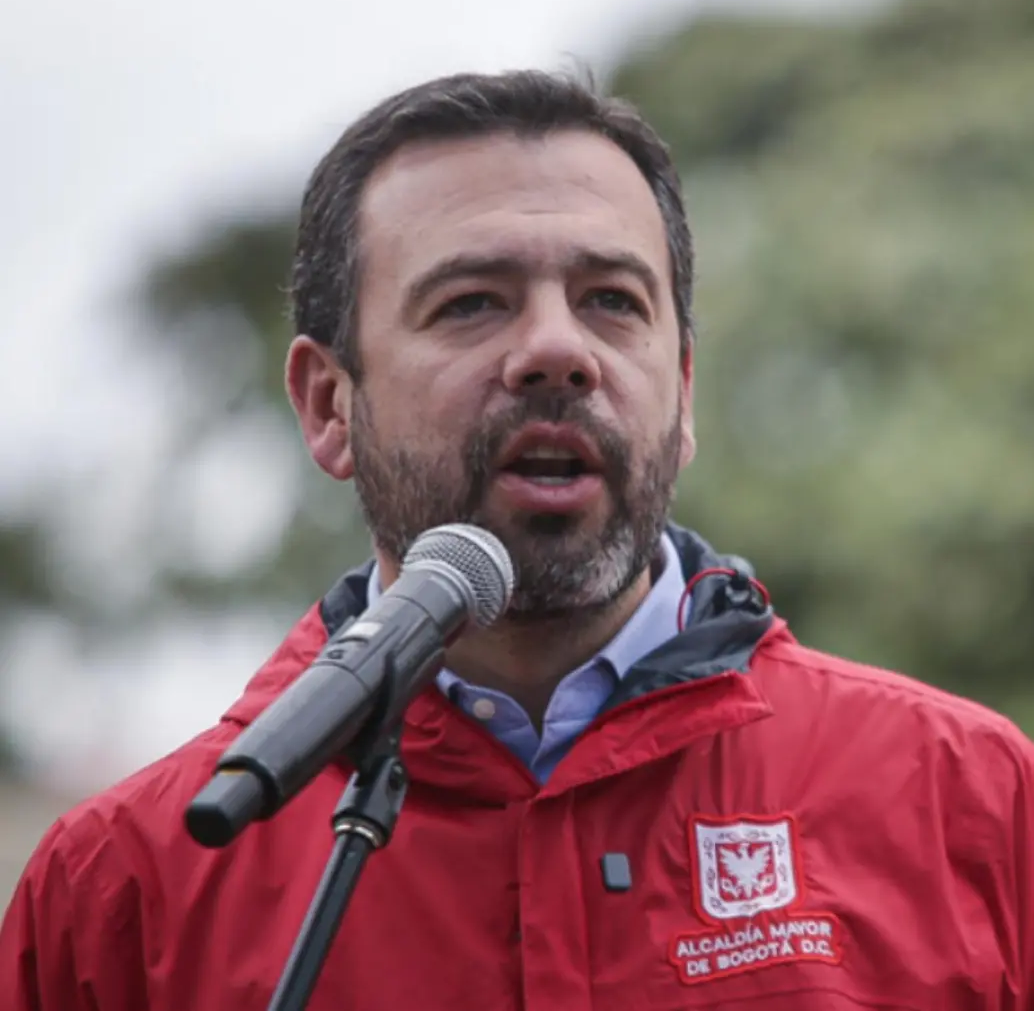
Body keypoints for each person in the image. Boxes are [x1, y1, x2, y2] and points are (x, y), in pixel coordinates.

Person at [1, 69, 1032, 1011]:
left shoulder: (973, 804)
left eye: (611, 301)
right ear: (327, 404)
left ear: (681, 392)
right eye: (471, 304)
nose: (554, 350)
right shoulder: (121, 892)